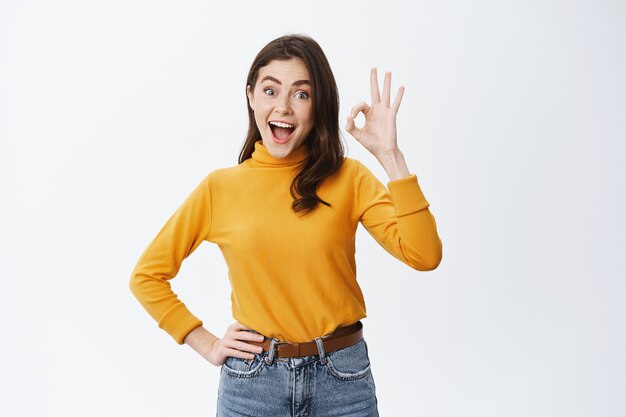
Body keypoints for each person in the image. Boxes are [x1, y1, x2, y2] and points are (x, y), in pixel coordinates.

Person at [129, 33, 442, 417]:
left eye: (301, 94)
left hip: (342, 380)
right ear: (251, 97)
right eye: (270, 90)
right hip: (252, 384)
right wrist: (205, 342)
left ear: (317, 105)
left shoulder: (350, 178)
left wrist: (391, 157)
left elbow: (424, 255)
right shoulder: (220, 188)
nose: (284, 107)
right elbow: (147, 276)